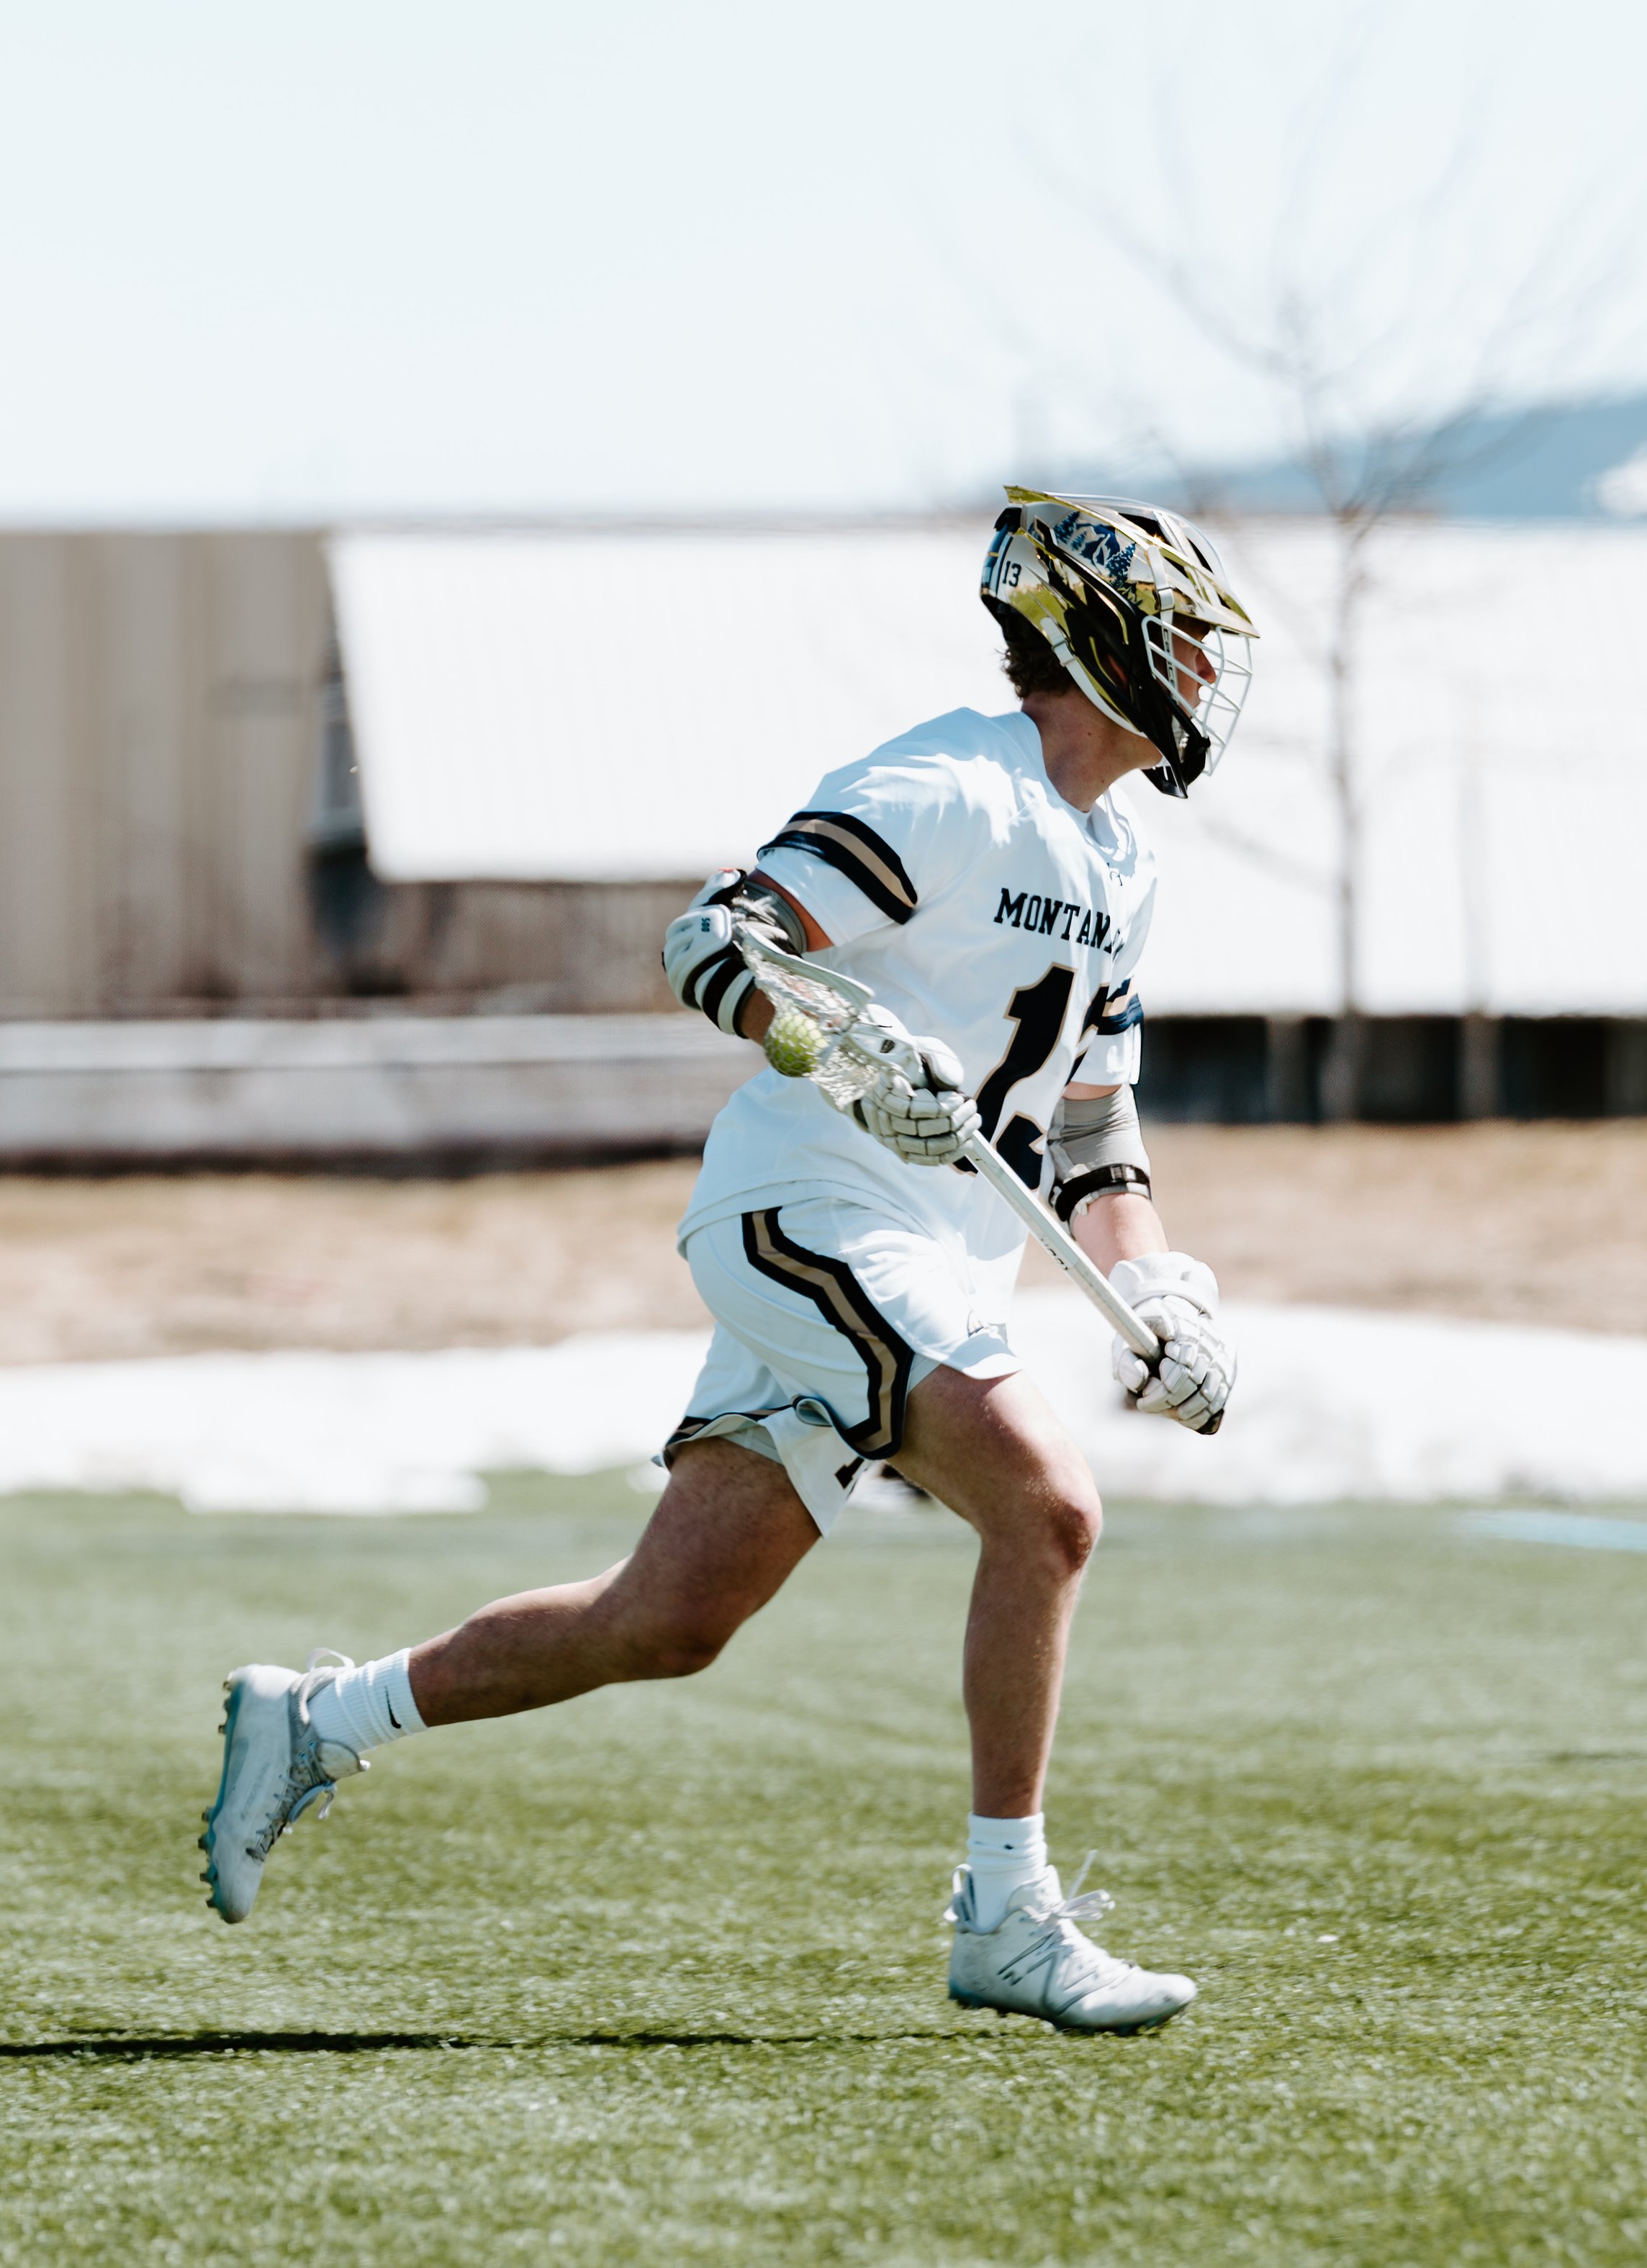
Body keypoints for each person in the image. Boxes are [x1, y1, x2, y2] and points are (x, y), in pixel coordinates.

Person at [199, 489, 1258, 2035]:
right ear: (1090, 630)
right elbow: (715, 941)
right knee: (1048, 1508)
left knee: (665, 1621)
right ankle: (1006, 1916)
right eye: (1178, 635)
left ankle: (317, 1717)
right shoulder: (948, 785)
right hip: (810, 1214)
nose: (1203, 672)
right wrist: (840, 1052)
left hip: (933, 1260)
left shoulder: (1122, 862)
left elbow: (1092, 1125)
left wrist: (1158, 1285)